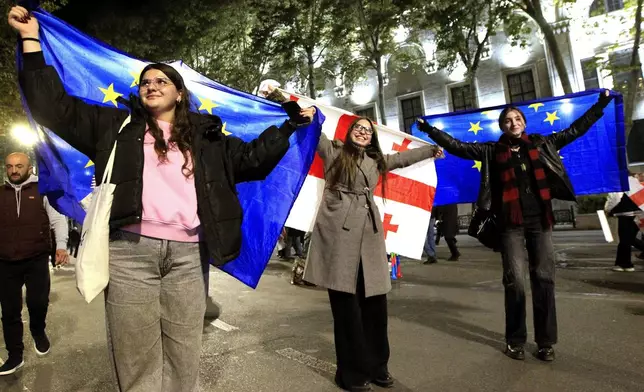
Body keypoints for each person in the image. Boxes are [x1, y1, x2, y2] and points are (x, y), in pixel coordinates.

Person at [10, 6, 315, 391]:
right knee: (135, 353)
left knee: (184, 352)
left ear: (180, 93)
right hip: (129, 254)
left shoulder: (208, 138)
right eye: (145, 82)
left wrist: (288, 124)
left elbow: (254, 160)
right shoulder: (113, 127)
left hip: (189, 257)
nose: (151, 85)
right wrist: (31, 39)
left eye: (161, 80)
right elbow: (54, 108)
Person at [418, 90, 614, 362]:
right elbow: (458, 147)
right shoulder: (490, 151)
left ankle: (545, 342)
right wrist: (429, 129)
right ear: (502, 126)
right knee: (515, 282)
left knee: (544, 279)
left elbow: (575, 130)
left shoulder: (542, 144)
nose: (513, 123)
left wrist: (601, 103)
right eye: (508, 120)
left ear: (524, 122)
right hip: (510, 225)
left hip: (540, 223)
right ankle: (516, 340)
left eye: (517, 118)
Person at [303, 116, 442, 391]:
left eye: (368, 130)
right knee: (347, 311)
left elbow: (403, 159)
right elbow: (313, 131)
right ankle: (351, 375)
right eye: (359, 128)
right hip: (339, 235)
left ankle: (378, 367)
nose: (363, 133)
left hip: (370, 236)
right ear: (350, 131)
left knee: (376, 307)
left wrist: (430, 150)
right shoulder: (334, 150)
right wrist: (292, 105)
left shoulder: (377, 160)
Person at [0, 152, 69, 376]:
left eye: (19, 166)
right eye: (10, 166)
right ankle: (15, 356)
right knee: (9, 311)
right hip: (6, 261)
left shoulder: (43, 190)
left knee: (37, 302)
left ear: (29, 168)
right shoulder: (1, 193)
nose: (14, 170)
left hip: (36, 258)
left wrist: (61, 246)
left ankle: (38, 331)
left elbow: (58, 218)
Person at [605, 173, 644, 272]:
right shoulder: (634, 181)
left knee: (624, 240)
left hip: (625, 214)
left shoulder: (618, 182)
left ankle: (624, 264)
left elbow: (615, 199)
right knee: (629, 239)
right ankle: (623, 263)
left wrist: (608, 210)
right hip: (638, 213)